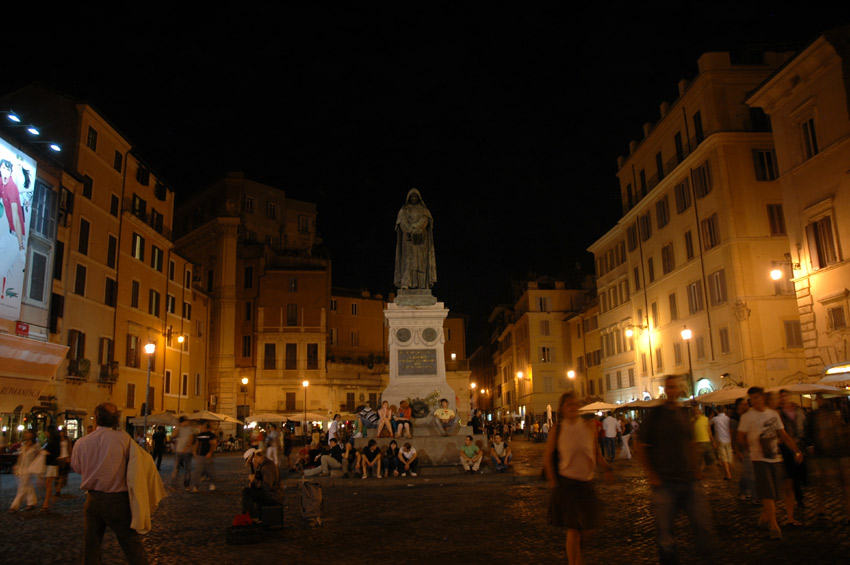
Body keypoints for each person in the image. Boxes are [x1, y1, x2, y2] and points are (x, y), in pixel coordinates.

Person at [638, 375, 716, 564]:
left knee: (703, 528)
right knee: (665, 534)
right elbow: (640, 446)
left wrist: (697, 468)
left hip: (689, 480)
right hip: (665, 482)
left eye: (675, 387)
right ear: (665, 389)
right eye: (669, 387)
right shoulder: (655, 415)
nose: (672, 391)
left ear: (679, 390)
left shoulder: (684, 413)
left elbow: (690, 442)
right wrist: (652, 474)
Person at [71, 403, 149, 564]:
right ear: (116, 420)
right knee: (131, 545)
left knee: (91, 546)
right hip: (117, 500)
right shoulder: (124, 439)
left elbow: (77, 468)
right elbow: (137, 464)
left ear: (97, 418)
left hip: (92, 500)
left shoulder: (82, 442)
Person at [545, 392, 613, 565]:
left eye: (575, 404)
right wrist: (553, 481)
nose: (574, 407)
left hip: (587, 483)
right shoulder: (557, 429)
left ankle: (577, 556)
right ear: (562, 409)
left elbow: (596, 453)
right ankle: (574, 562)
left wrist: (607, 468)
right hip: (568, 483)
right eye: (569, 404)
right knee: (574, 529)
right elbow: (548, 456)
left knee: (589, 528)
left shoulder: (589, 426)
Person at [738, 386, 803, 540]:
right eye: (752, 398)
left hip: (775, 457)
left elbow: (783, 434)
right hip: (759, 459)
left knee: (775, 493)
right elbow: (740, 437)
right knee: (767, 492)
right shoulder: (747, 417)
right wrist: (750, 445)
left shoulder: (773, 414)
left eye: (757, 397)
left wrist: (796, 450)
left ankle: (764, 517)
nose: (755, 401)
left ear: (763, 398)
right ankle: (774, 525)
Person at [394, 188, 436, 289]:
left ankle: (422, 284)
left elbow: (425, 220)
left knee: (420, 261)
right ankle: (406, 284)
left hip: (420, 239)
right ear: (409, 198)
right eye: (412, 196)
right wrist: (408, 230)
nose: (413, 198)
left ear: (418, 198)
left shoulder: (424, 210)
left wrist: (415, 228)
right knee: (407, 261)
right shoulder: (404, 210)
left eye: (415, 196)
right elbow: (401, 222)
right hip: (408, 239)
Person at [242, 448, 284, 520]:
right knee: (250, 491)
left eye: (250, 463)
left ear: (255, 457)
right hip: (272, 494)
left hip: (274, 496)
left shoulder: (266, 467)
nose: (252, 466)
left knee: (246, 492)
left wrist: (254, 481)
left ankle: (252, 517)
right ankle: (254, 515)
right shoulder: (264, 465)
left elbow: (267, 487)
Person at [9, 430, 40, 512]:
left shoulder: (36, 446)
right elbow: (21, 457)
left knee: (22, 487)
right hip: (22, 468)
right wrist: (17, 466)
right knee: (28, 486)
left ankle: (15, 505)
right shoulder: (23, 444)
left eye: (28, 434)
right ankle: (32, 502)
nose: (26, 436)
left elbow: (38, 457)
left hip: (29, 468)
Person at [0, 159, 26, 251]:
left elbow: (16, 216)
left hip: (16, 234)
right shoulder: (1, 182)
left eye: (8, 170)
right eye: (3, 168)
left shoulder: (11, 187)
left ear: (11, 172)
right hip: (8, 230)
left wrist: (21, 246)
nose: (5, 172)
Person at [171, 416, 195, 491]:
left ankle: (186, 485)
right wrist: (178, 427)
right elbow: (173, 436)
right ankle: (174, 485)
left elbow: (191, 439)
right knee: (176, 469)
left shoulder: (190, 429)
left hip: (187, 451)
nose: (187, 422)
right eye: (186, 421)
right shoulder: (178, 429)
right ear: (182, 422)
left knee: (187, 469)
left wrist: (185, 448)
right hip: (178, 451)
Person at [710, 406, 733, 480]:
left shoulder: (715, 419)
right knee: (729, 457)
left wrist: (712, 414)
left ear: (717, 411)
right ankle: (730, 472)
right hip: (728, 440)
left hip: (720, 440)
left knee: (723, 458)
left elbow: (707, 424)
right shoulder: (728, 419)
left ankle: (728, 474)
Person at [41, 425, 61, 511]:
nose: (45, 433)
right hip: (49, 464)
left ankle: (46, 503)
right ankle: (46, 501)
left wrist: (47, 453)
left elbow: (56, 453)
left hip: (51, 464)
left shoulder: (53, 442)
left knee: (48, 484)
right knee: (47, 484)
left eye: (46, 431)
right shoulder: (49, 441)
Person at [194, 422, 218, 492]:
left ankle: (212, 483)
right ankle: (196, 486)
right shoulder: (199, 435)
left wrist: (210, 452)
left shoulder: (210, 435)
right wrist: (195, 451)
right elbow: (197, 443)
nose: (201, 427)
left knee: (210, 471)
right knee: (198, 471)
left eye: (202, 426)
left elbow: (213, 444)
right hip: (200, 455)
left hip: (207, 455)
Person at [692, 407, 715, 473]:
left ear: (700, 412)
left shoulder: (705, 419)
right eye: (695, 411)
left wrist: (712, 441)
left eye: (697, 410)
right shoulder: (691, 420)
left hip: (706, 441)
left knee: (711, 459)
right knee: (699, 459)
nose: (696, 412)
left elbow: (709, 430)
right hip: (697, 442)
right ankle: (700, 472)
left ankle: (710, 471)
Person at [56, 428, 73, 495]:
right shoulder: (57, 440)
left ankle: (59, 487)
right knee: (58, 474)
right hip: (59, 458)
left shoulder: (67, 440)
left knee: (63, 474)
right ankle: (58, 489)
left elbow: (70, 448)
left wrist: (69, 457)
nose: (61, 433)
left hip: (65, 457)